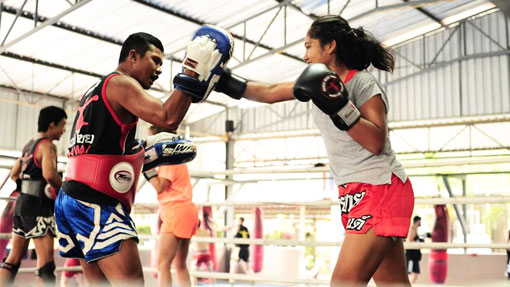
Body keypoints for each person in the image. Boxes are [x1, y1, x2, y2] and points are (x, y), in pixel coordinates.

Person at [215, 14, 415, 287]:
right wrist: (221, 80)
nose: (305, 55)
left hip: (379, 187)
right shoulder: (316, 82)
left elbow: (377, 141)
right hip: (354, 192)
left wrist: (340, 106)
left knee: (344, 282)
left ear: (330, 46)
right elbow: (271, 91)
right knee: (394, 284)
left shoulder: (362, 82)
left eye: (309, 46)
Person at [54, 27, 233, 287]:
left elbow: (99, 148)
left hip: (74, 197)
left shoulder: (97, 87)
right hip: (95, 202)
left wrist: (143, 152)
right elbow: (166, 118)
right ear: (133, 56)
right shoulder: (120, 83)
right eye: (155, 60)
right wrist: (192, 72)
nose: (159, 69)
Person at [0, 106, 67, 285]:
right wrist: (67, 193)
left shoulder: (28, 146)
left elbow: (15, 174)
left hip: (21, 205)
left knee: (13, 259)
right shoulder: (48, 146)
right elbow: (49, 175)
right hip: (38, 207)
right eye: (62, 125)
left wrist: (28, 187)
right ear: (52, 125)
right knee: (46, 265)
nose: (64, 131)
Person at [143, 125, 199, 287]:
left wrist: (146, 168)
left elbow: (160, 186)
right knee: (180, 265)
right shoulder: (178, 158)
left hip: (176, 212)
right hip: (187, 211)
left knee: (163, 264)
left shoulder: (169, 160)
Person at [220, 217, 251, 282]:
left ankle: (231, 281)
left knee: (233, 264)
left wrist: (232, 225)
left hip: (238, 249)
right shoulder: (246, 229)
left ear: (240, 221)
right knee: (246, 266)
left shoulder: (236, 227)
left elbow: (222, 229)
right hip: (246, 249)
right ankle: (251, 279)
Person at [406, 216, 422, 284]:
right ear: (418, 221)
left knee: (415, 274)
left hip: (414, 256)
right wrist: (418, 241)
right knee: (411, 274)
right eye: (420, 221)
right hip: (411, 256)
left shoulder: (415, 229)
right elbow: (410, 240)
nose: (420, 223)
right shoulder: (412, 228)